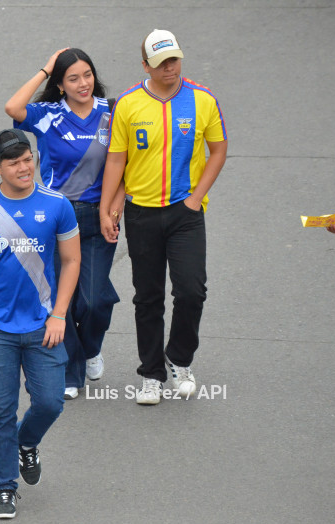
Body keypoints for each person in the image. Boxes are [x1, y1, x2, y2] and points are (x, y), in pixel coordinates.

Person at [0, 129, 81, 519]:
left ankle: (26, 442)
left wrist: (59, 314)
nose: (24, 167)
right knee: (1, 409)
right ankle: (4, 486)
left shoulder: (57, 205)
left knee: (50, 401)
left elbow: (72, 261)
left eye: (28, 159)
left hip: (44, 325)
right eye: (14, 162)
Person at [99, 29, 228, 405]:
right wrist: (109, 208)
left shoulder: (203, 100)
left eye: (174, 60)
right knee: (148, 296)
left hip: (185, 212)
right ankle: (151, 374)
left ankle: (180, 359)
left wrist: (196, 198)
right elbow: (116, 159)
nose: (170, 68)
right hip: (141, 213)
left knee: (192, 291)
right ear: (145, 66)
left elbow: (218, 150)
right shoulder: (126, 104)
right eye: (161, 63)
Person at [5, 48, 120, 401]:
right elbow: (13, 108)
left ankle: (90, 349)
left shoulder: (112, 111)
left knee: (94, 299)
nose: (83, 83)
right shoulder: (48, 115)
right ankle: (71, 372)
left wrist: (114, 209)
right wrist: (45, 68)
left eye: (87, 75)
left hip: (101, 216)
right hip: (57, 217)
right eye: (72, 78)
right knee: (63, 301)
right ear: (60, 85)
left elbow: (125, 164)